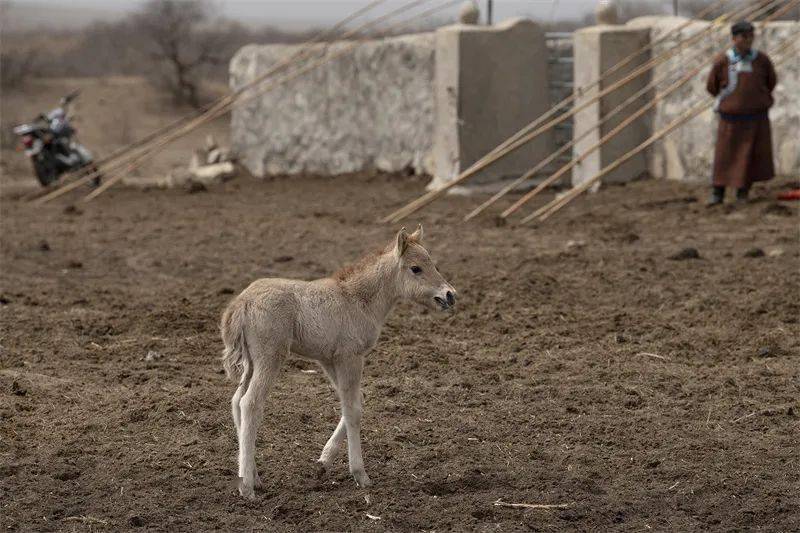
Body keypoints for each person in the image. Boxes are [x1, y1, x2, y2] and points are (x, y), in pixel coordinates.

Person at [705, 21, 777, 206]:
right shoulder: (726, 61)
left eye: (751, 36)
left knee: (750, 158)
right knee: (725, 157)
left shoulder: (761, 60)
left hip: (756, 118)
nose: (748, 40)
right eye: (744, 36)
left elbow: (771, 81)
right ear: (734, 38)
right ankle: (718, 193)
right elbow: (712, 86)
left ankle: (743, 193)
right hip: (731, 120)